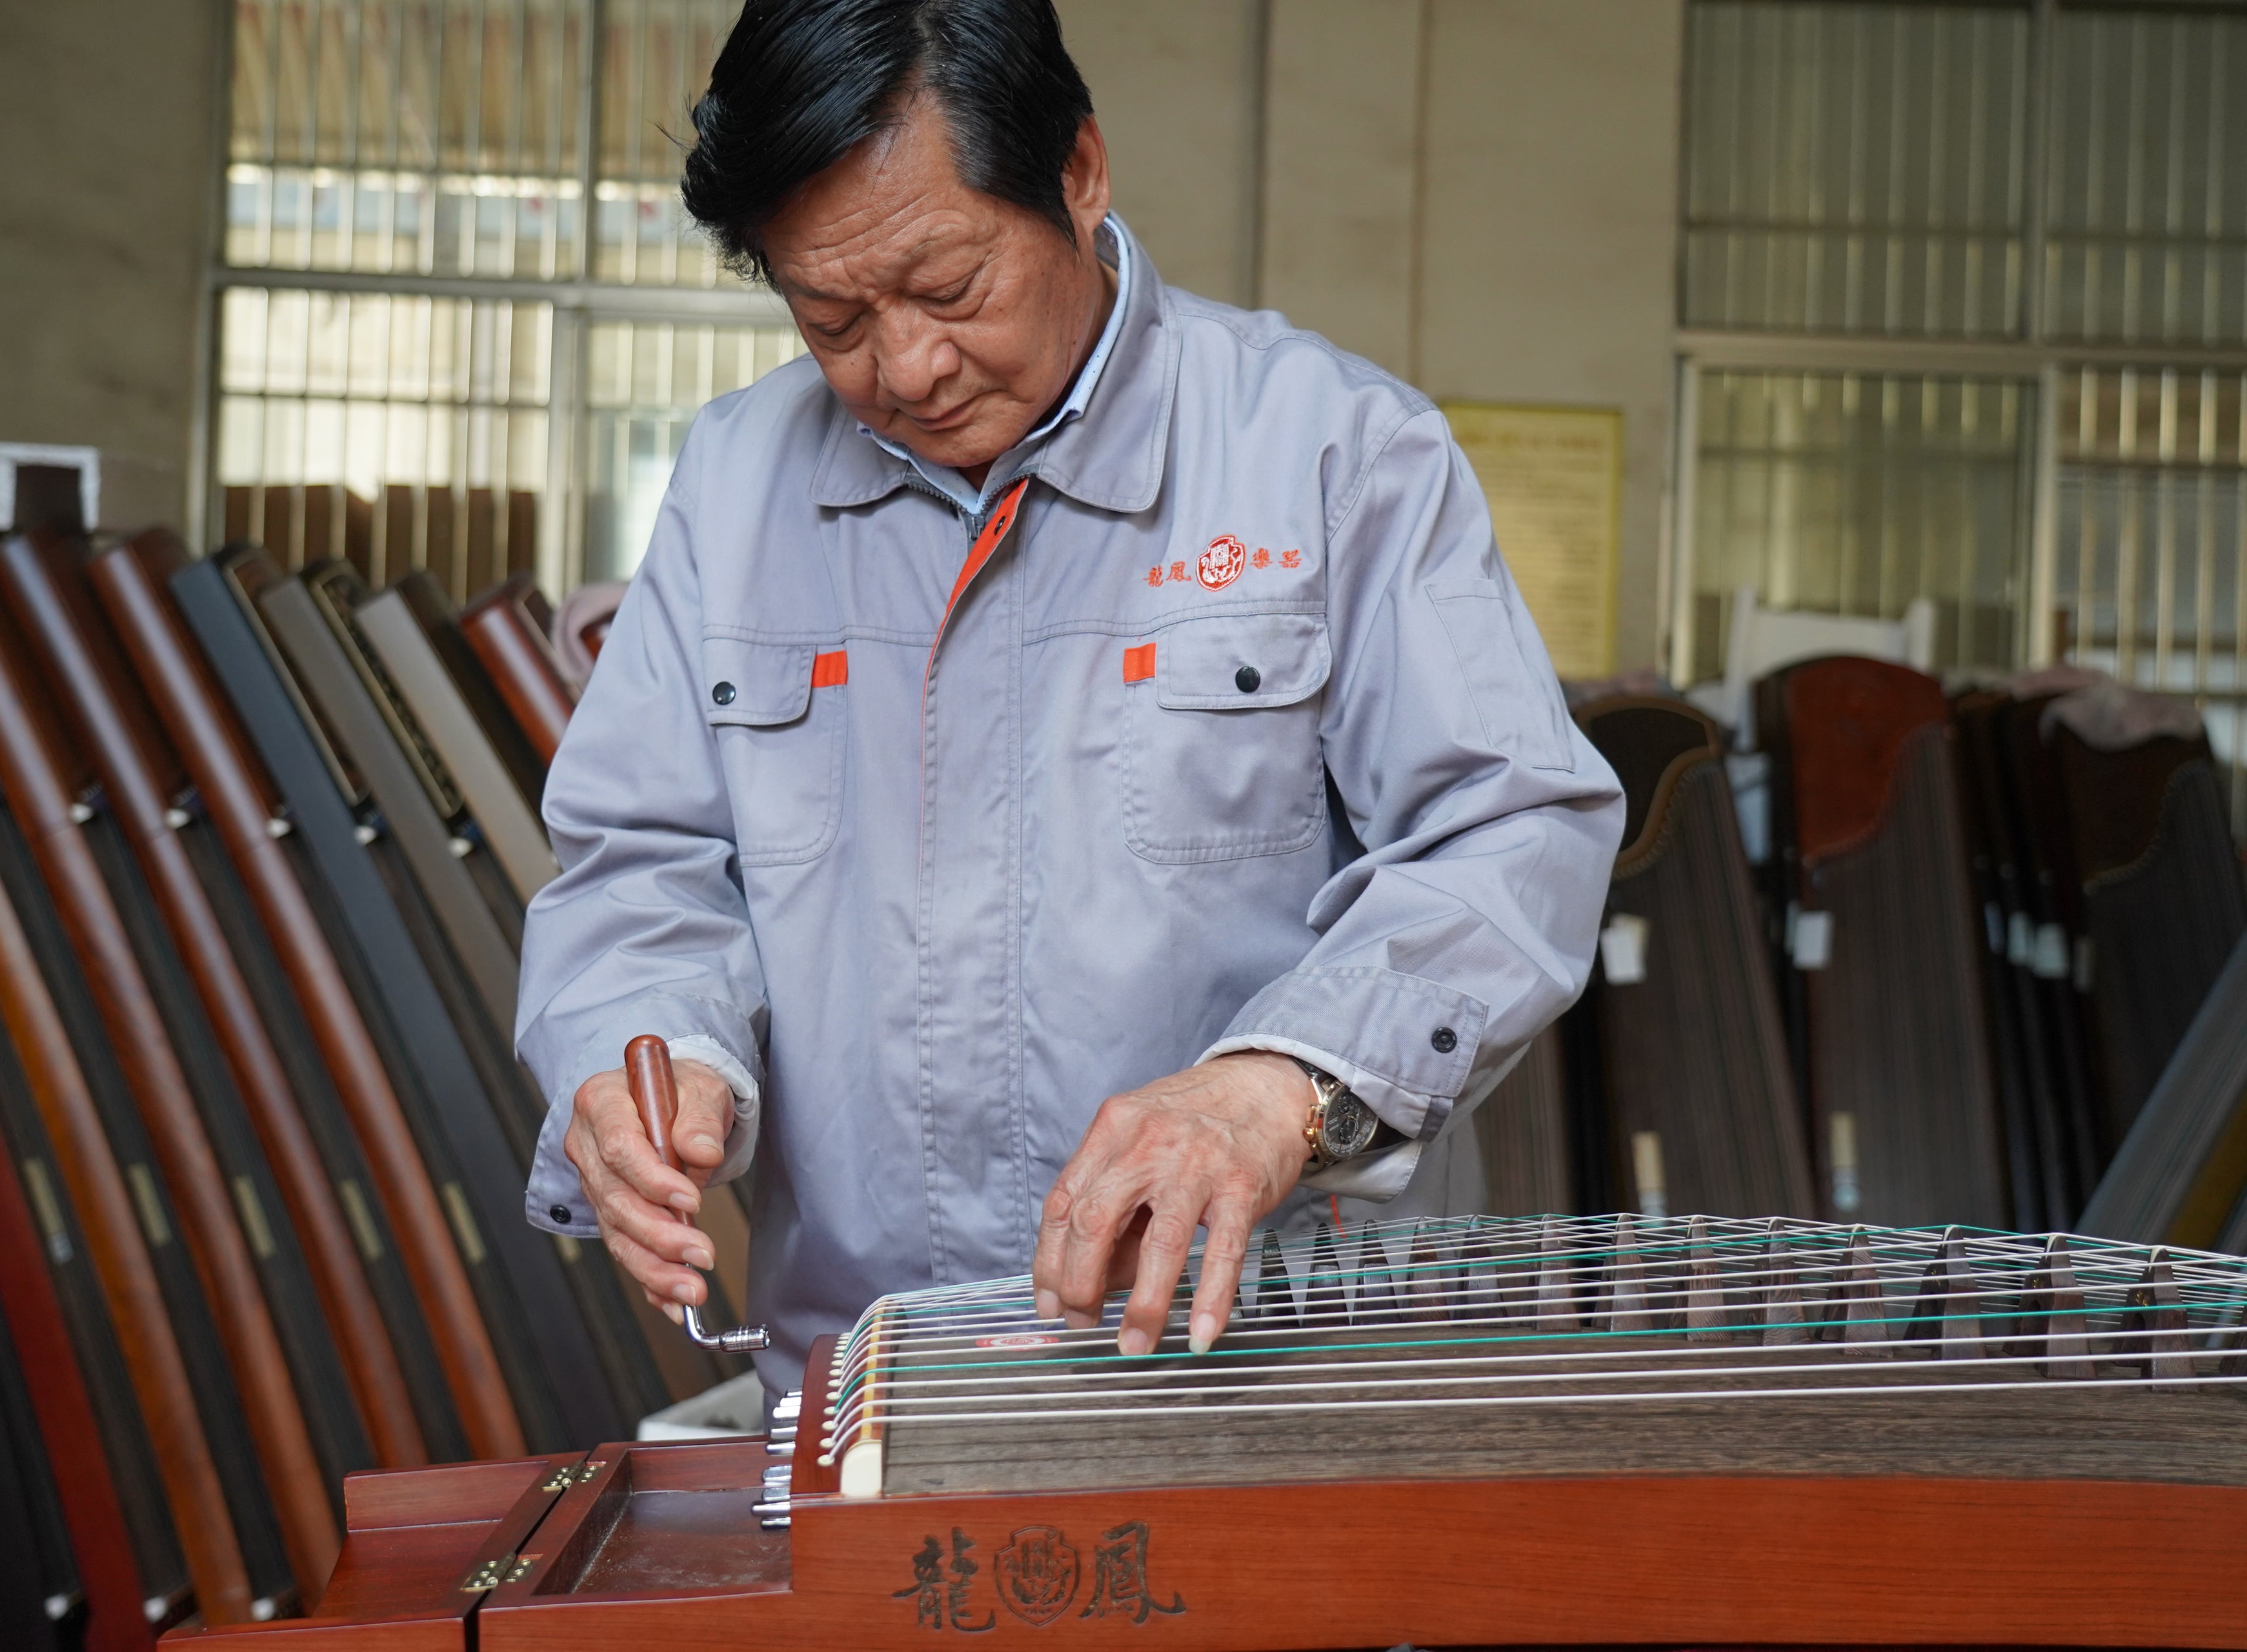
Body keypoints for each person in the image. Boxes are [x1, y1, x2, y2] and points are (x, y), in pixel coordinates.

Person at [516, 0, 1624, 1397]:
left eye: (949, 286)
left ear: (1080, 173)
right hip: (882, 1383)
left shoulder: (1333, 452)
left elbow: (1512, 831)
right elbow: (637, 864)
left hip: (1274, 1378)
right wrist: (656, 1057)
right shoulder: (738, 485)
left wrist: (1281, 1087)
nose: (906, 367)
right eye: (832, 318)